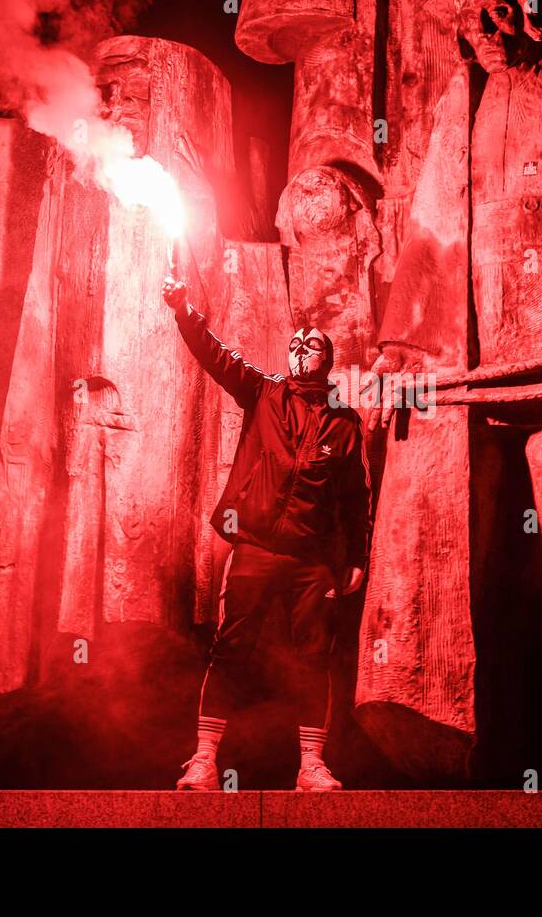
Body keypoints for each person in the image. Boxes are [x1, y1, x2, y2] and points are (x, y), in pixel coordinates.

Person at [162, 271, 371, 791]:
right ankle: (204, 761)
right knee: (231, 649)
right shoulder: (263, 393)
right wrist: (184, 311)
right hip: (256, 546)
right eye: (296, 345)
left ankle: (312, 767)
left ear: (328, 359)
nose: (303, 350)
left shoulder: (344, 424)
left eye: (313, 345)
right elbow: (217, 356)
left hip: (312, 558)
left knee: (313, 658)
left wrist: (356, 557)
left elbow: (354, 498)